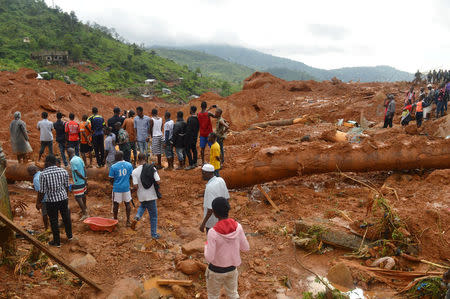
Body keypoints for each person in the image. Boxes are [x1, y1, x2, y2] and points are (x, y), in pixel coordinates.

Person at [204, 197, 250, 299]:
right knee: (233, 294)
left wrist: (206, 244)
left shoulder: (212, 232)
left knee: (213, 296)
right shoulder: (238, 227)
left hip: (215, 271)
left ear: (215, 213)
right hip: (232, 270)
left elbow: (209, 258)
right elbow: (246, 248)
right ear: (228, 210)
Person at [37, 155, 72, 247]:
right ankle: (70, 236)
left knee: (53, 220)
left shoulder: (43, 174)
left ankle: (57, 242)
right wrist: (66, 196)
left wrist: (38, 202)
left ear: (48, 163)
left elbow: (42, 191)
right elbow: (67, 186)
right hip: (63, 199)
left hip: (51, 201)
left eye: (45, 162)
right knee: (66, 217)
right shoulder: (63, 171)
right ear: (55, 162)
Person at [130, 153, 161, 239]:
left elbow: (135, 186)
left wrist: (132, 190)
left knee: (143, 205)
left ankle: (137, 217)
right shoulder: (152, 168)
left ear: (137, 160)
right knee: (153, 216)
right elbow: (158, 181)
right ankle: (154, 234)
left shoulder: (134, 171)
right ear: (146, 159)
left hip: (141, 195)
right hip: (151, 195)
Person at [199, 164, 230, 234]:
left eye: (203, 173)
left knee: (212, 241)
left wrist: (203, 224)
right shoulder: (220, 180)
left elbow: (210, 210)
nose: (202, 175)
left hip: (212, 222)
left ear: (208, 173)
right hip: (222, 218)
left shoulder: (210, 187)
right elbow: (227, 198)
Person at [109, 151, 133, 226]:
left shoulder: (113, 167)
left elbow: (111, 179)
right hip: (126, 187)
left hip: (117, 188)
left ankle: (115, 220)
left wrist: (113, 184)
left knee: (116, 204)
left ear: (117, 157)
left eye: (115, 156)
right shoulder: (129, 165)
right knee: (127, 204)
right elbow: (131, 176)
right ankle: (128, 221)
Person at [67, 148, 89, 220]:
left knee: (78, 198)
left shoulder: (72, 161)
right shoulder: (79, 158)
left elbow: (76, 172)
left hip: (78, 182)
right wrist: (85, 178)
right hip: (83, 181)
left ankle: (85, 213)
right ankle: (84, 208)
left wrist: (83, 178)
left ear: (68, 154)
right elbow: (84, 168)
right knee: (83, 195)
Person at [28, 165, 49, 231]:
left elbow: (40, 192)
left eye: (29, 172)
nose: (28, 174)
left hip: (45, 198)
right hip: (51, 196)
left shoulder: (36, 179)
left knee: (44, 214)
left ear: (33, 171)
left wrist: (38, 202)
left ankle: (47, 228)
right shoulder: (42, 173)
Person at [185, 106, 200, 170]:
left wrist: (186, 137)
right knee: (194, 149)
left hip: (189, 137)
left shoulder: (190, 119)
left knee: (187, 150)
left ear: (191, 110)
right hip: (195, 136)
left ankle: (191, 164)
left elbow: (188, 130)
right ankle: (195, 162)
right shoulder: (197, 118)